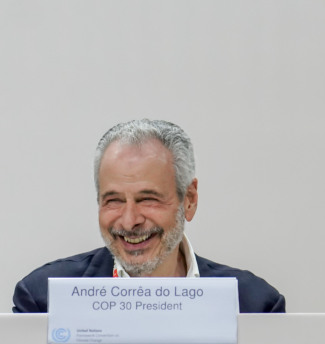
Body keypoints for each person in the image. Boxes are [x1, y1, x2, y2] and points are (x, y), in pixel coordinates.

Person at [14, 119, 285, 313]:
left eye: (148, 199)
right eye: (114, 200)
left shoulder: (254, 305)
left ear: (189, 200)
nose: (129, 220)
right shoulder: (44, 300)